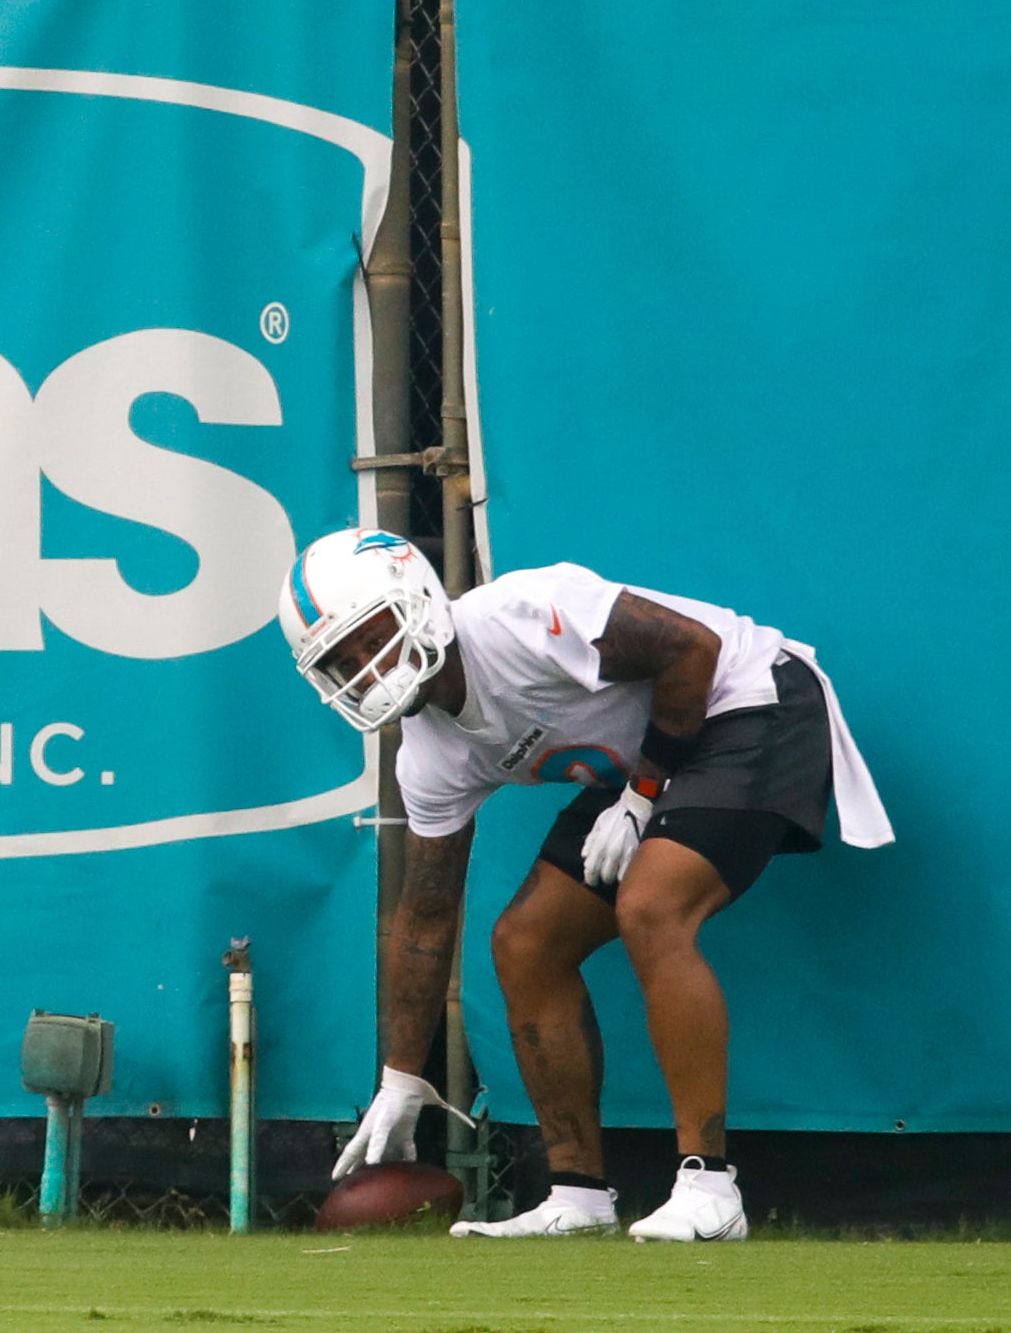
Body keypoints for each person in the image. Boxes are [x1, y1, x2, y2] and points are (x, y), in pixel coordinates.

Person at [281, 528, 891, 1242]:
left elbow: (693, 648)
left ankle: (710, 1187)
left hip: (750, 699)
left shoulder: (517, 616)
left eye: (373, 636)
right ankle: (578, 1196)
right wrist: (401, 1075)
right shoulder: (429, 757)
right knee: (526, 943)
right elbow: (427, 911)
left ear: (416, 596)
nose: (368, 665)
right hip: (654, 756)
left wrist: (642, 795)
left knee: (651, 905)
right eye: (345, 659)